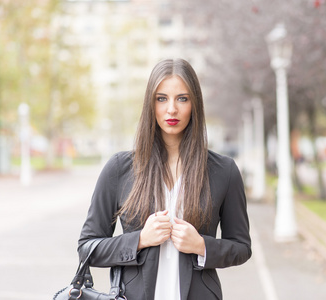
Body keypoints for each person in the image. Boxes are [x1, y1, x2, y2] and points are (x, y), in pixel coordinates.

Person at [78, 58, 252, 300]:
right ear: (151, 104)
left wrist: (202, 246)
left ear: (195, 104)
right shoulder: (119, 168)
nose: (172, 109)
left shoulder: (224, 171)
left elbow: (242, 248)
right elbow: (88, 248)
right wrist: (139, 240)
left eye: (182, 98)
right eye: (162, 99)